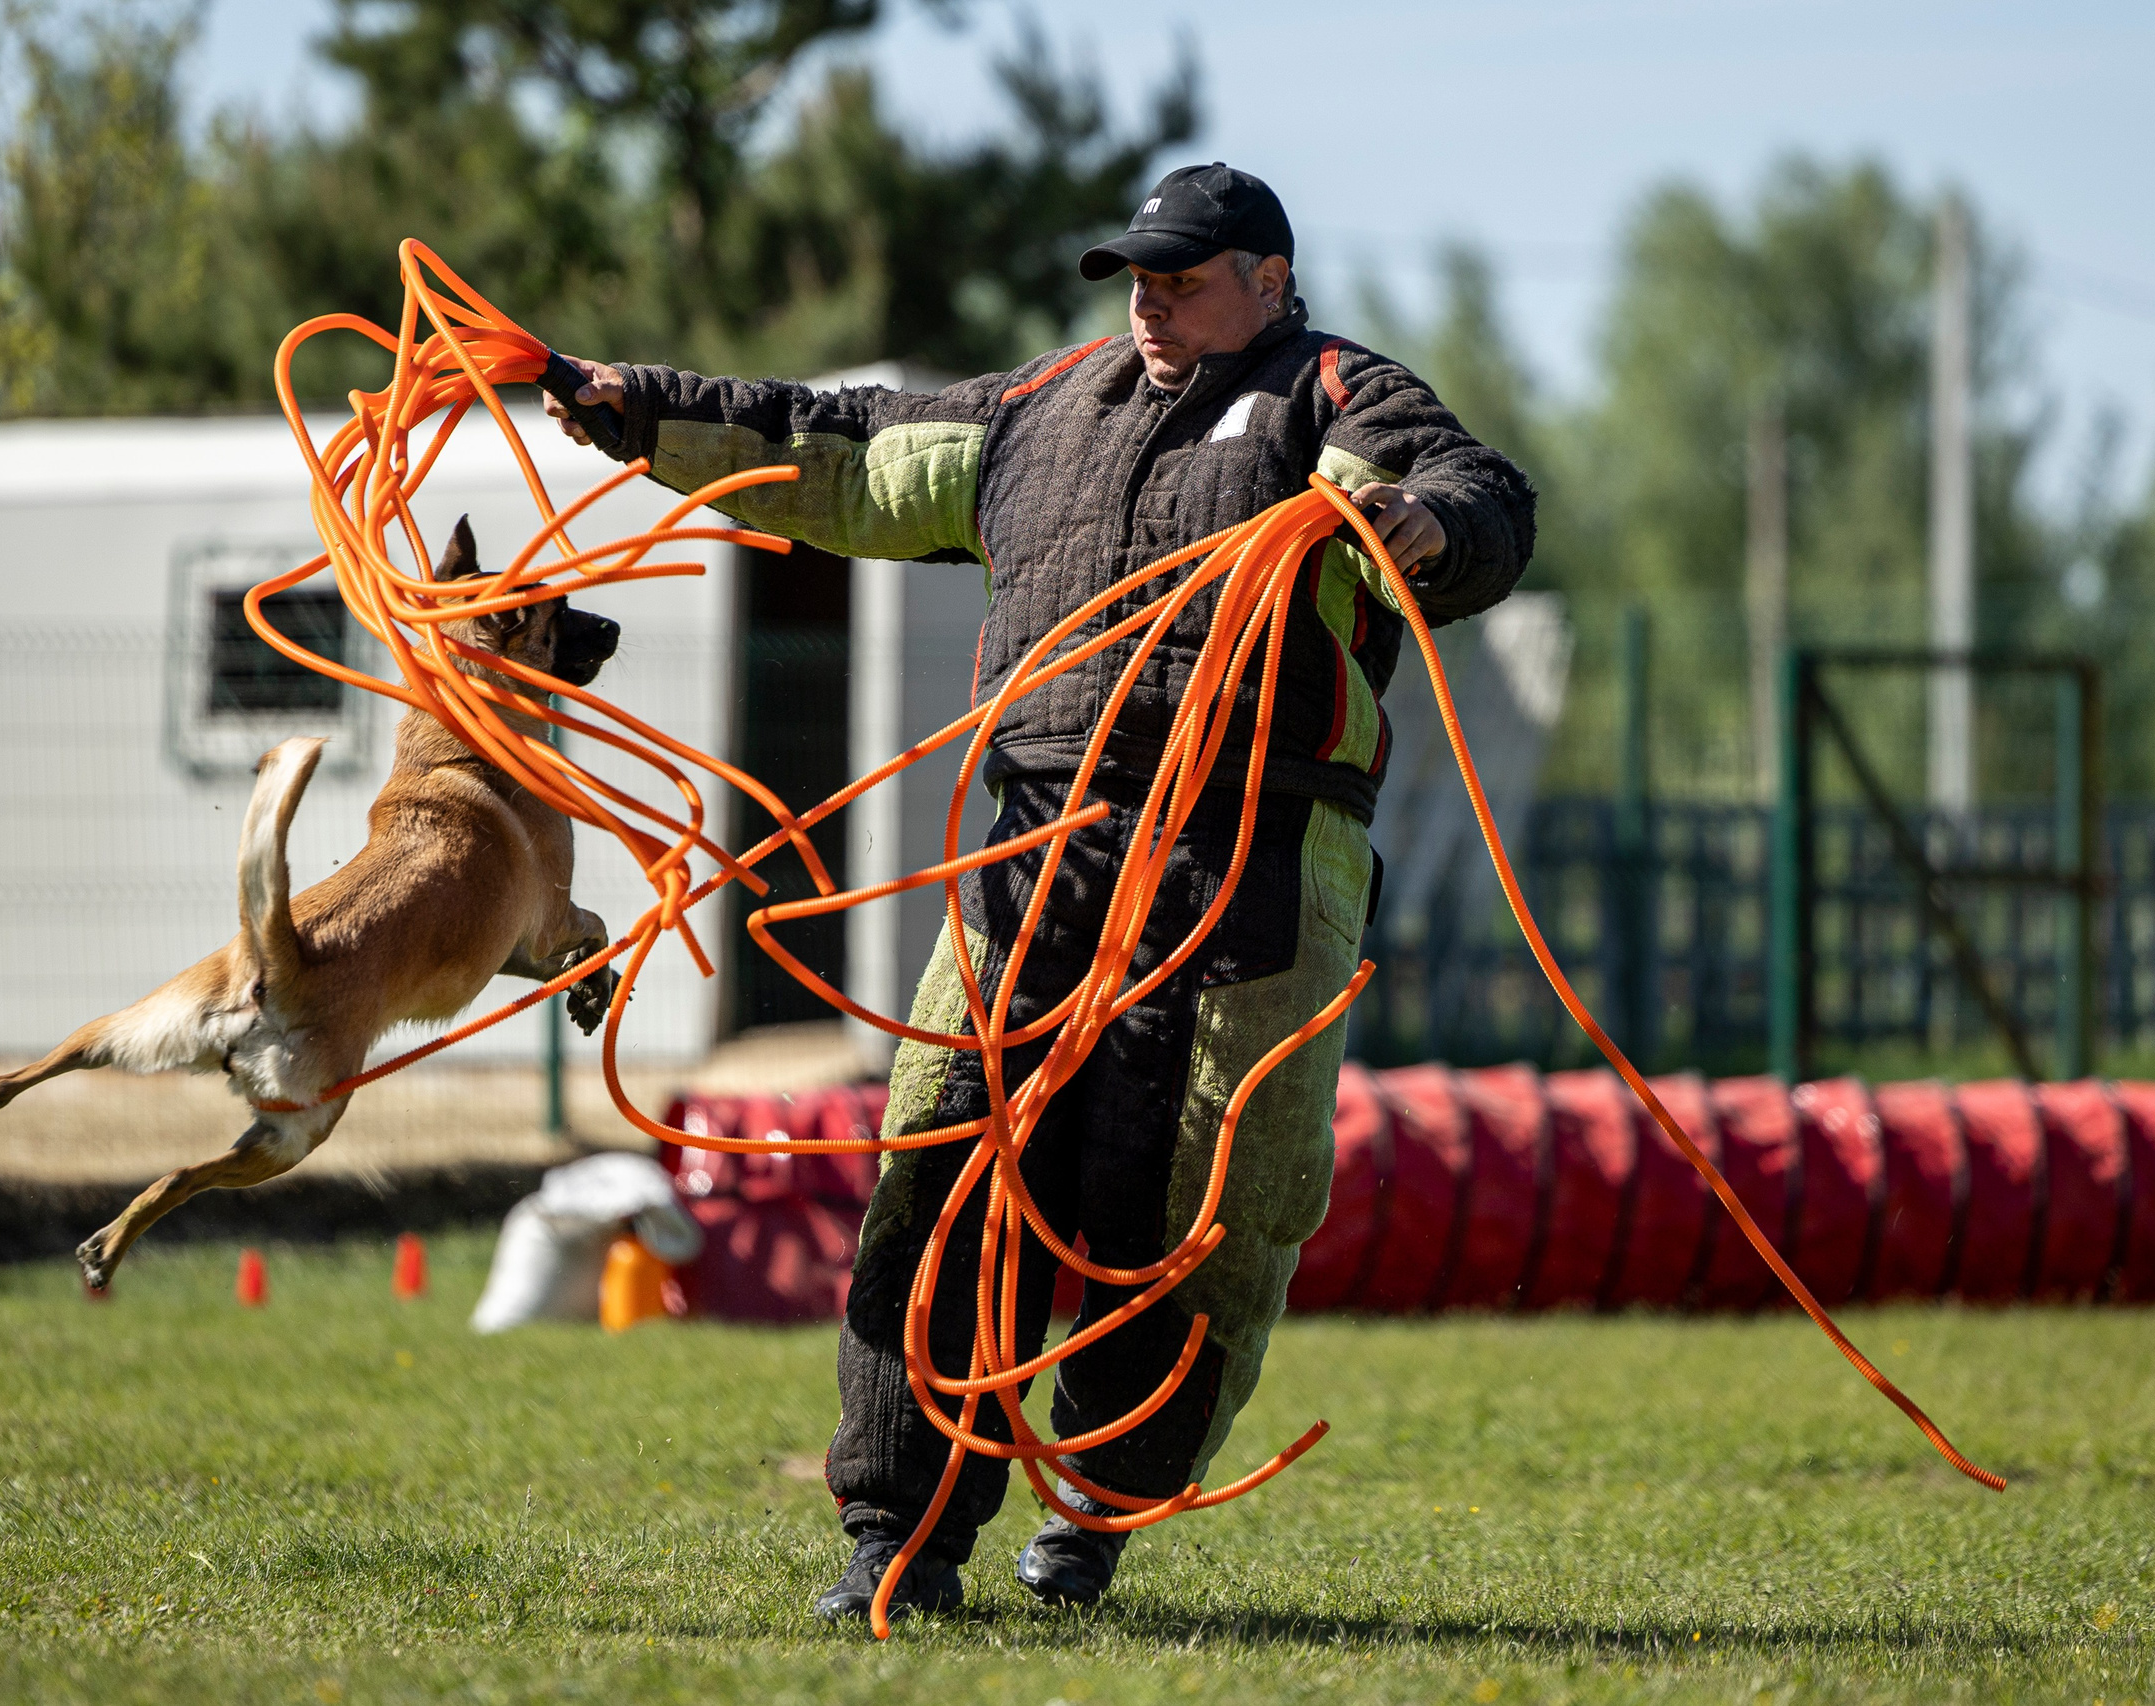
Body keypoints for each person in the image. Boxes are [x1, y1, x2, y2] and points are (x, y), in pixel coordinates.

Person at [547, 162, 1535, 1620]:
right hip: (1031, 851)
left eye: (1183, 278)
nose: (1149, 302)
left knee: (1198, 1209)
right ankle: (900, 1534)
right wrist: (645, 410)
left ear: (1268, 279)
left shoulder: (1337, 397)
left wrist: (1425, 532)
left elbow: (1481, 496)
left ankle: (1094, 1518)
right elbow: (837, 449)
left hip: (1251, 867)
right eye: (1136, 276)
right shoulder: (1041, 412)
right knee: (941, 1169)